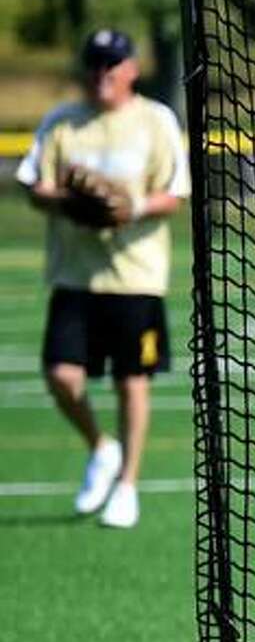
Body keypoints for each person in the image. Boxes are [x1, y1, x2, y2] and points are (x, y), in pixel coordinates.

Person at [17, 28, 190, 529]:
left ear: (131, 69)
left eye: (112, 65)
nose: (102, 74)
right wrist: (71, 202)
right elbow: (33, 185)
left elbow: (173, 194)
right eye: (94, 65)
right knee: (61, 376)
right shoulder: (63, 123)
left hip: (136, 277)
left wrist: (130, 205)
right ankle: (102, 447)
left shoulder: (155, 121)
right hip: (75, 276)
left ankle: (128, 486)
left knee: (131, 380)